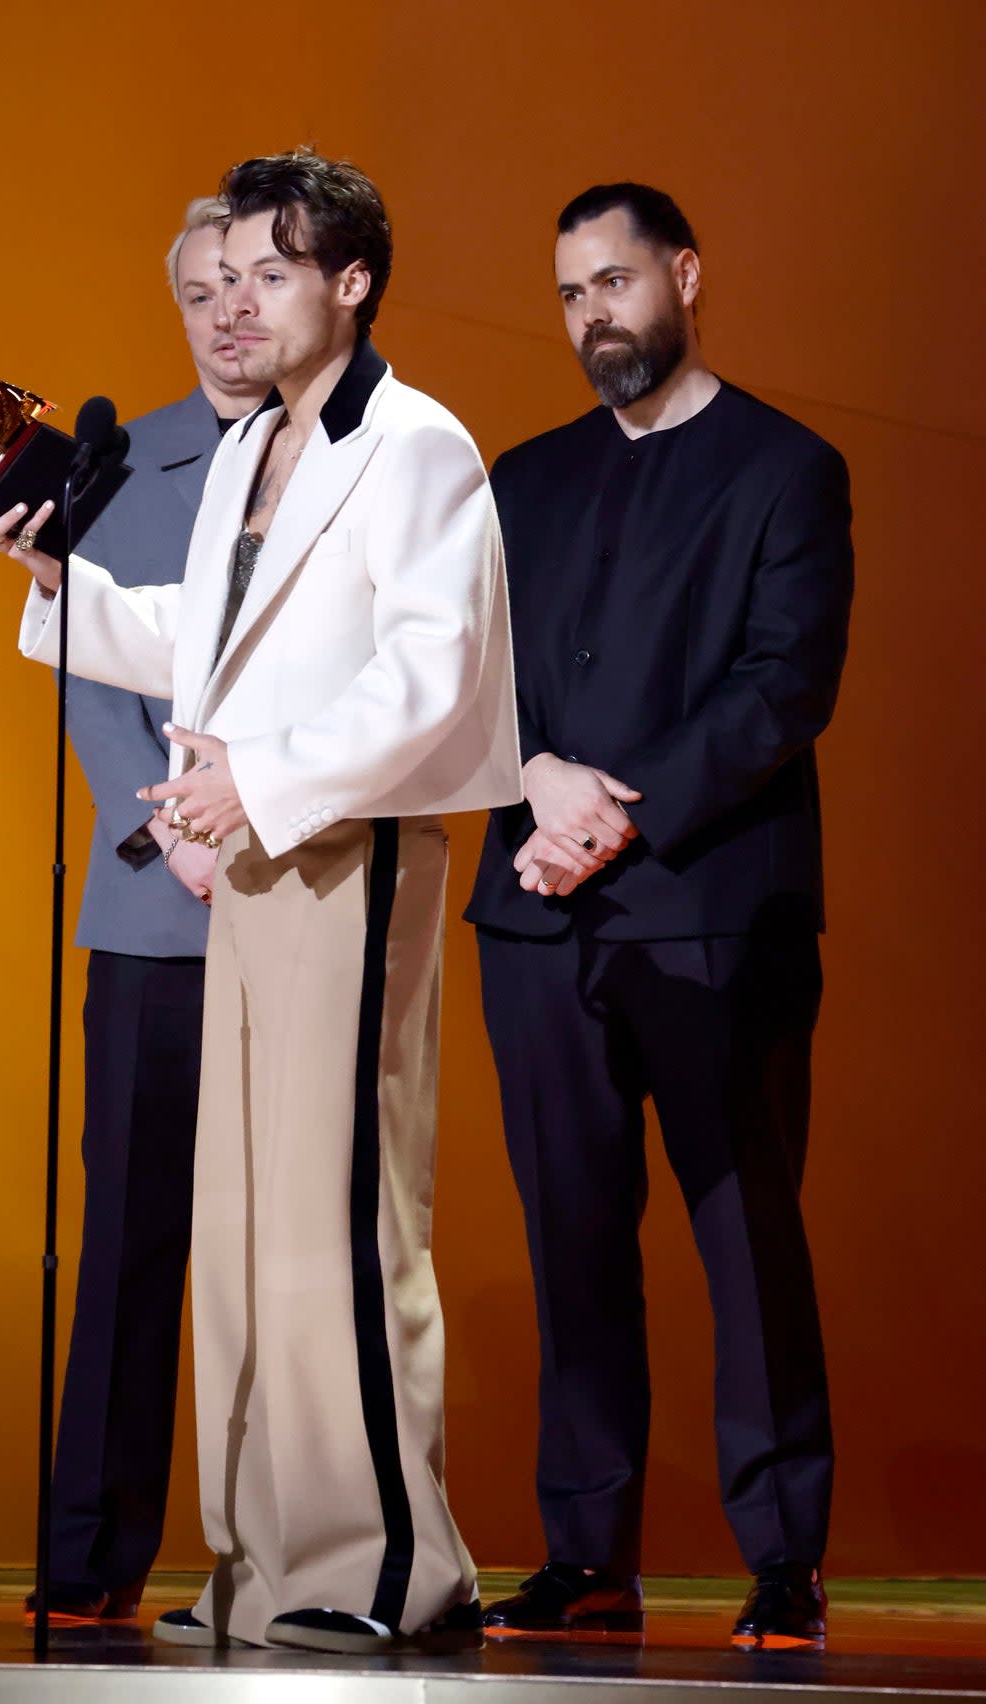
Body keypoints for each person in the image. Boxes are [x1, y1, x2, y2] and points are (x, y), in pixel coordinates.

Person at [0, 149, 521, 1654]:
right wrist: (47, 577)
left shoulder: (416, 445)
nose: (244, 299)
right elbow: (199, 641)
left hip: (346, 849)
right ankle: (264, 1561)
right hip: (259, 857)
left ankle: (384, 1569)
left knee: (335, 1218)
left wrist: (262, 780)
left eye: (275, 272)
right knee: (242, 1226)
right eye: (231, 273)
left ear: (352, 283)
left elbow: (435, 679)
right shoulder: (248, 453)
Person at [466, 182, 853, 1649]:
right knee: (574, 1241)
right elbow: (474, 678)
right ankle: (589, 1556)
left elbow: (783, 686)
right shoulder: (524, 479)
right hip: (538, 926)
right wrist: (541, 779)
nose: (593, 316)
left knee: (744, 1235)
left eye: (616, 282)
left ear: (684, 273)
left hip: (711, 914)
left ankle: (782, 1556)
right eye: (570, 293)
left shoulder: (785, 466)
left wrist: (611, 813)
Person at [0, 197, 266, 1622]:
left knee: (291, 1260)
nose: (226, 313)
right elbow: (95, 671)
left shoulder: (347, 464)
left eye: (249, 283)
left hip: (307, 898)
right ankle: (88, 1564)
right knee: (133, 1242)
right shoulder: (120, 462)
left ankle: (287, 1560)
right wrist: (178, 839)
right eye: (200, 291)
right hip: (156, 909)